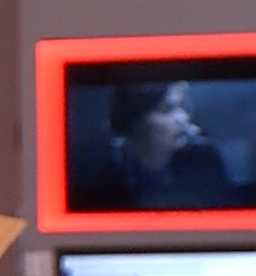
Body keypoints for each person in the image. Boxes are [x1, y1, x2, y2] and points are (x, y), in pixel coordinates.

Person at [75, 81, 236, 211]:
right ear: (134, 122)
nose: (182, 118)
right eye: (167, 110)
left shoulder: (205, 159)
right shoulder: (110, 178)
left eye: (181, 106)